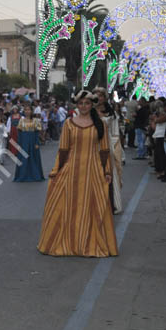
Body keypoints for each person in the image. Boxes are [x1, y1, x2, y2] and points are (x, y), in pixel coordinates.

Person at [37, 90, 118, 258]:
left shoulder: (100, 124)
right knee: (66, 204)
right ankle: (68, 241)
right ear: (77, 105)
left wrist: (107, 171)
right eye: (81, 103)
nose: (83, 106)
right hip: (71, 168)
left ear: (92, 105)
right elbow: (63, 149)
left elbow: (104, 150)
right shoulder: (68, 123)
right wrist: (56, 170)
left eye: (87, 103)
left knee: (92, 206)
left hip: (93, 170)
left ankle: (88, 242)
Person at [94, 88, 122, 214]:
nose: (98, 98)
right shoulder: (87, 112)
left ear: (105, 98)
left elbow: (115, 133)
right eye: (96, 95)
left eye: (100, 96)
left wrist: (115, 150)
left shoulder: (112, 114)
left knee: (108, 174)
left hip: (107, 147)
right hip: (91, 147)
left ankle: (111, 204)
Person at [13, 105, 44, 182]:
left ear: (31, 111)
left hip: (33, 141)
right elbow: (19, 133)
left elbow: (37, 133)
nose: (27, 111)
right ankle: (22, 175)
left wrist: (37, 143)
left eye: (28, 110)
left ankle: (35, 175)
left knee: (33, 158)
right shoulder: (21, 120)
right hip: (24, 142)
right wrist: (19, 144)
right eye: (25, 110)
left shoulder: (35, 120)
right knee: (23, 158)